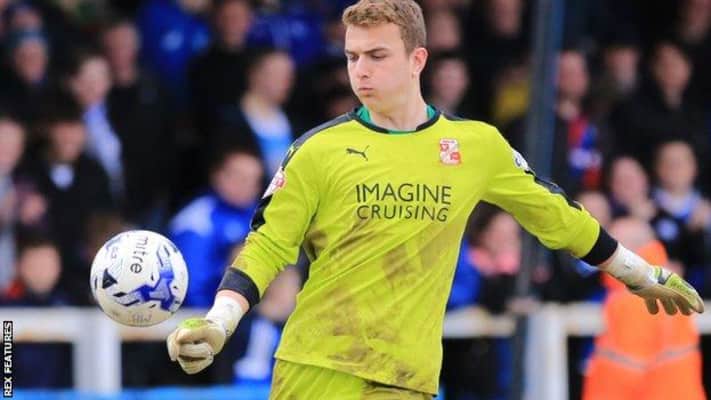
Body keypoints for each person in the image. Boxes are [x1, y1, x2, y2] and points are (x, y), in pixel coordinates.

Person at [166, 1, 704, 399]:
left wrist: (637, 272)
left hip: (408, 377)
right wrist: (219, 322)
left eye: (377, 55)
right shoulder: (317, 150)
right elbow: (266, 245)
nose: (360, 70)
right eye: (352, 57)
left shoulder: (475, 146)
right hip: (317, 369)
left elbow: (557, 216)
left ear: (417, 58)